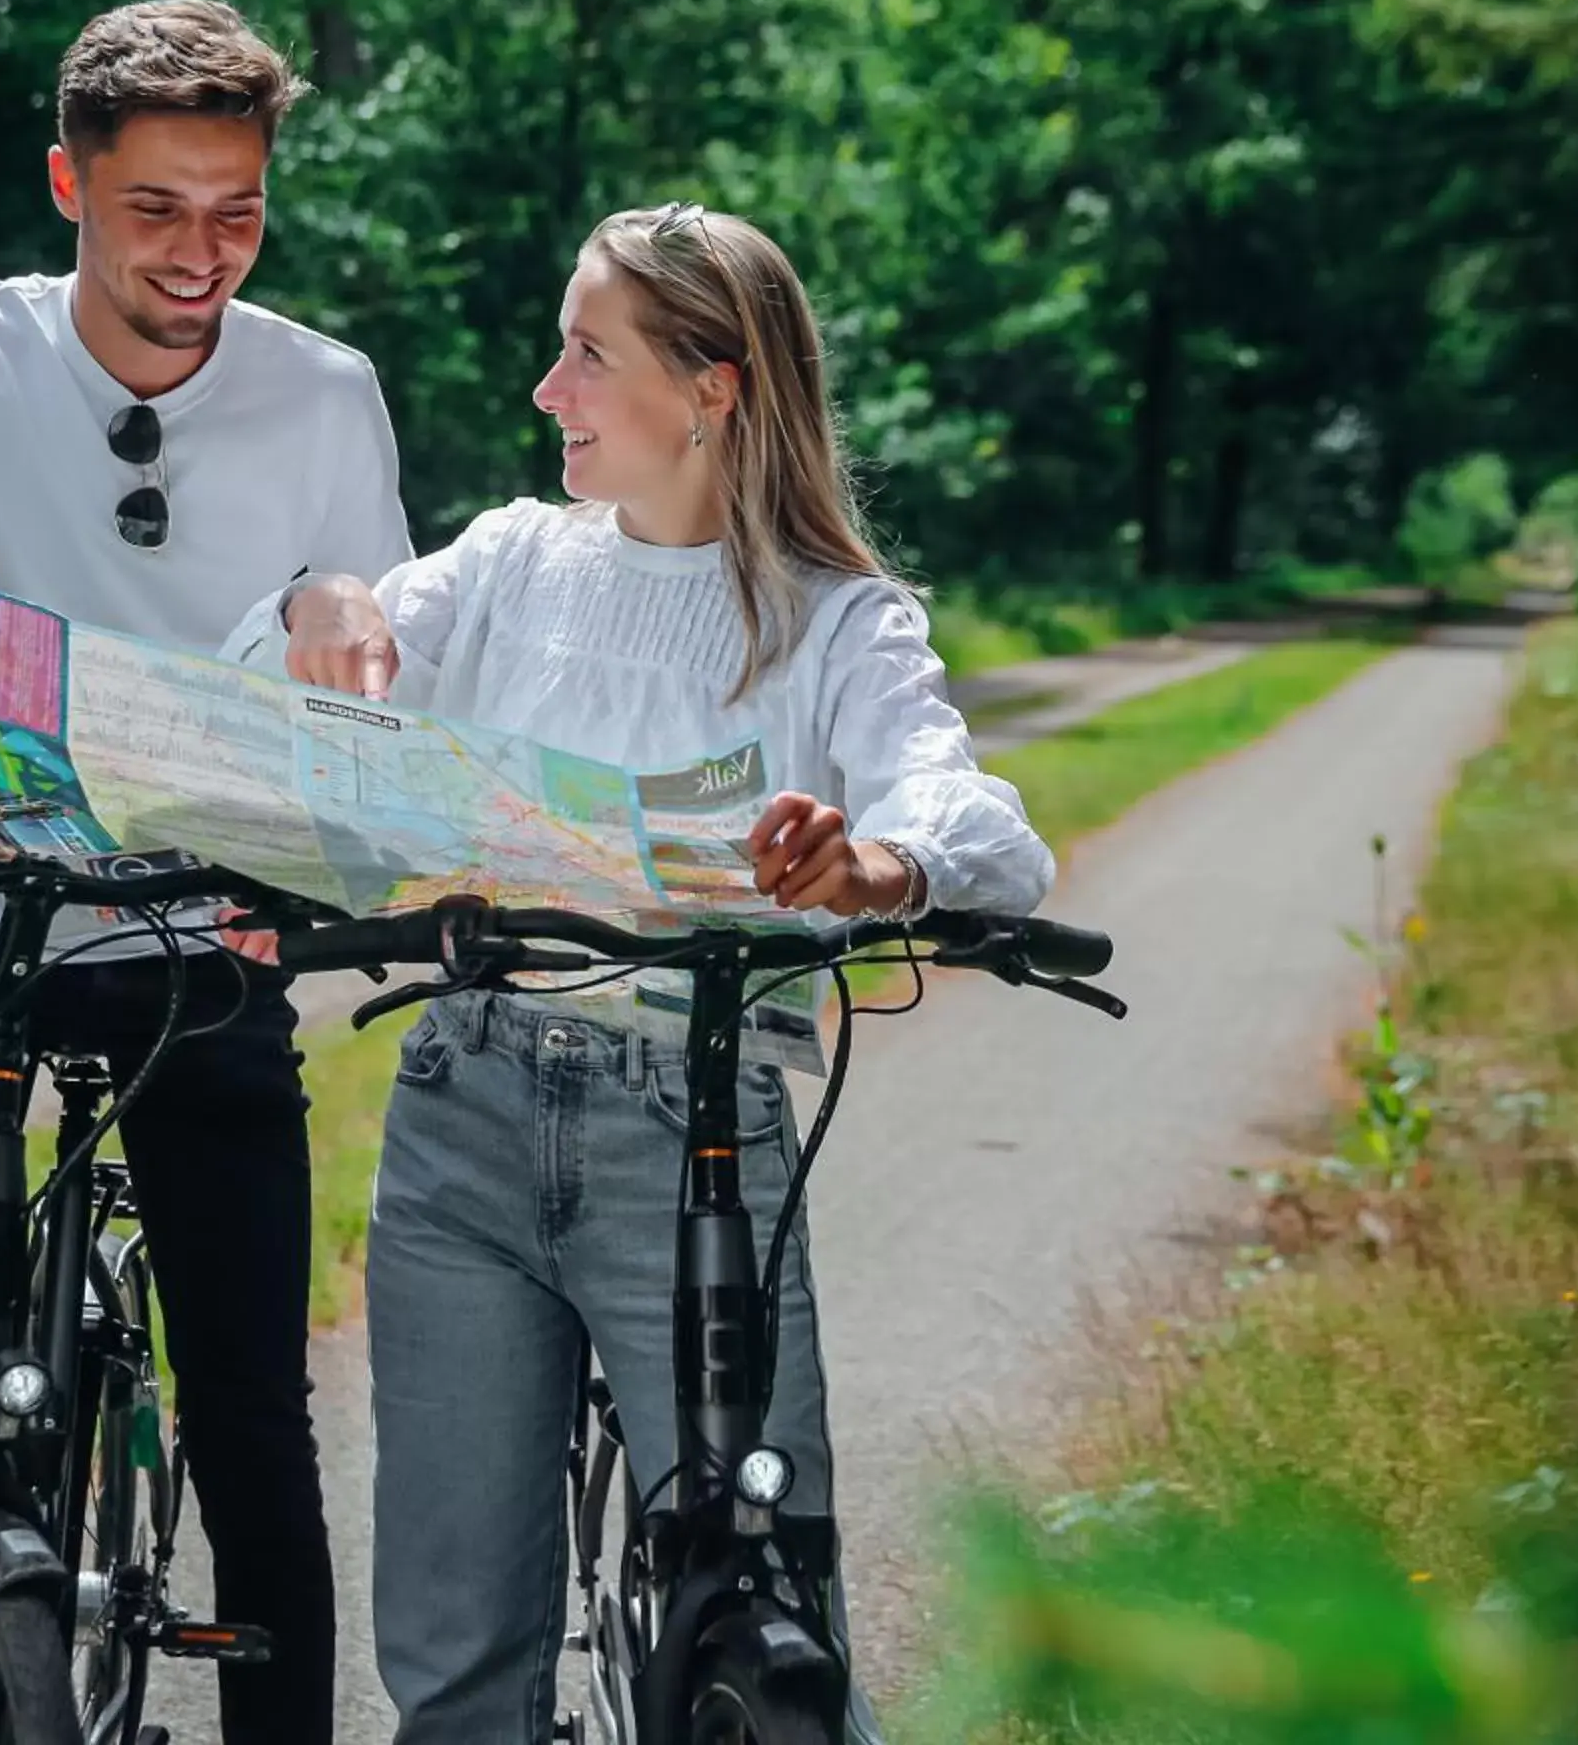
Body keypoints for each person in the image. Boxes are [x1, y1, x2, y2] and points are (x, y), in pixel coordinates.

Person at [225, 203, 1056, 1742]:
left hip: (697, 1145)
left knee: (765, 1622)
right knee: (461, 1666)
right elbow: (291, 698)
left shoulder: (833, 623)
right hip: (462, 1117)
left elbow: (970, 815)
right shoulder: (511, 563)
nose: (549, 392)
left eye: (588, 355)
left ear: (711, 387)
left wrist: (872, 868)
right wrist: (313, 603)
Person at [0, 0, 413, 1745]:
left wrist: (352, 639)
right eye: (156, 210)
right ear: (70, 182)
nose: (203, 254)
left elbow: (370, 634)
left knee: (255, 1417)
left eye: (240, 212)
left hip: (201, 946)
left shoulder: (327, 391)